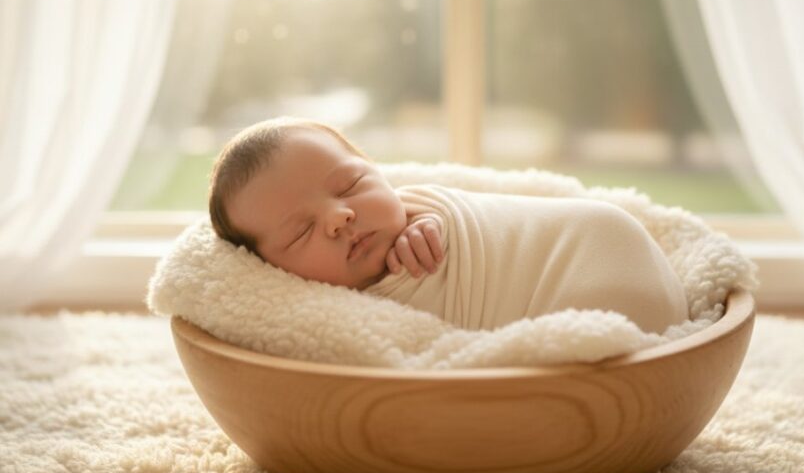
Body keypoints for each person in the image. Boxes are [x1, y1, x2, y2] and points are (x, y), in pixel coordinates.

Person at [209, 117, 688, 333]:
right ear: (268, 268)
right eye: (301, 232)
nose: (340, 216)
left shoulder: (420, 213)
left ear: (379, 171)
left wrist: (430, 223)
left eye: (351, 184)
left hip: (594, 256)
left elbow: (452, 212)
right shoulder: (325, 320)